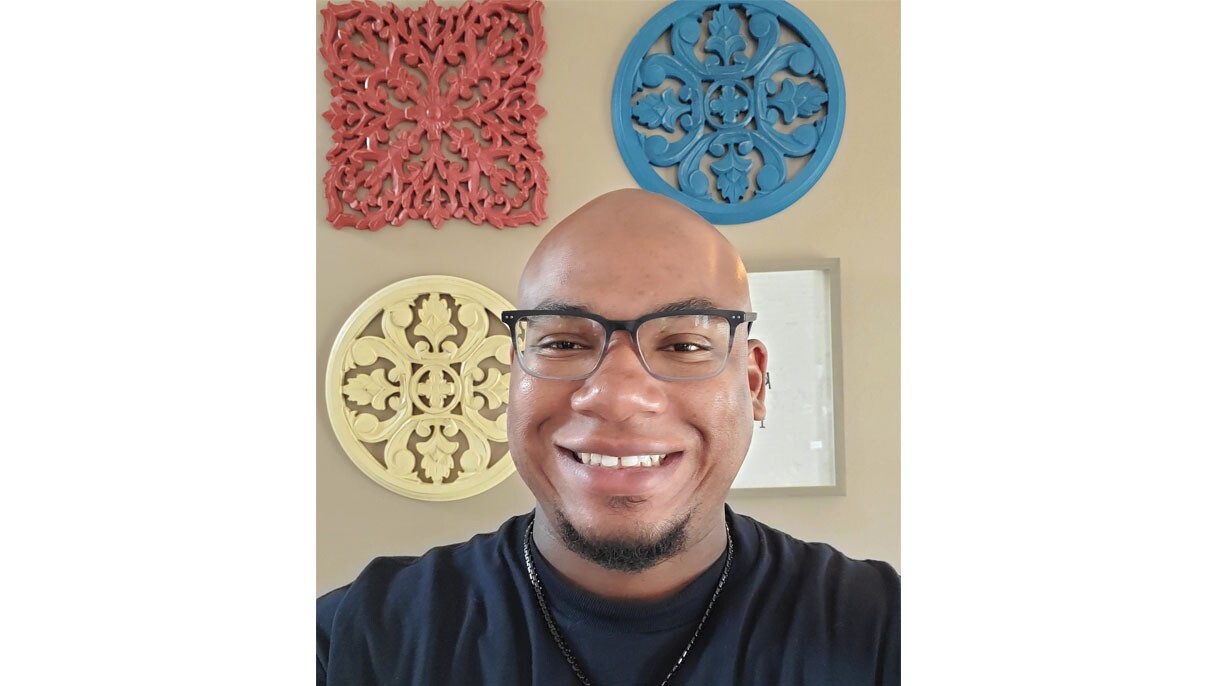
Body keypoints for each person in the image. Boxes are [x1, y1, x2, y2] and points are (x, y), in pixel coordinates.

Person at [317, 189, 900, 685]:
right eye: (564, 343)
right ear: (513, 376)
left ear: (753, 384)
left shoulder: (882, 635)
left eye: (684, 345)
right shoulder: (359, 642)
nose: (617, 395)